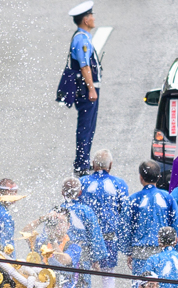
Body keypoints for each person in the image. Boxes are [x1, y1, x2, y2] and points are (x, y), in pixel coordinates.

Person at [80, 150, 129, 288]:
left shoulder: (82, 182)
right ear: (111, 165)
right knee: (108, 275)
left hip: (86, 239)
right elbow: (124, 211)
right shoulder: (119, 184)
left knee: (84, 275)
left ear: (93, 164)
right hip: (108, 238)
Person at [123, 161, 178, 274]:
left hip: (140, 251)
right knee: (161, 286)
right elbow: (177, 224)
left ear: (141, 177)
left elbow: (126, 227)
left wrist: (128, 251)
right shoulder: (167, 197)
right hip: (162, 249)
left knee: (141, 286)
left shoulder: (133, 199)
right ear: (159, 177)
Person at [63, 2, 101, 175]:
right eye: (91, 15)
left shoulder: (84, 37)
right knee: (85, 126)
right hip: (86, 90)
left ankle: (84, 159)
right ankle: (81, 163)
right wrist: (91, 89)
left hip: (87, 89)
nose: (93, 18)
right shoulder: (81, 39)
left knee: (89, 125)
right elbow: (85, 67)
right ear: (85, 20)